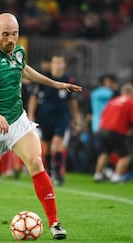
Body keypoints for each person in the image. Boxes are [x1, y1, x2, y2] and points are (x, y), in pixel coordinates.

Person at [0, 13, 82, 240]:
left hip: (16, 120)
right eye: (5, 34)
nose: (11, 40)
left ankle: (55, 223)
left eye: (14, 34)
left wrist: (54, 83)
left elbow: (23, 68)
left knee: (36, 162)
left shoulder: (18, 51)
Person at [28, 53, 81, 186]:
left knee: (57, 143)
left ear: (64, 65)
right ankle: (49, 171)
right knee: (45, 147)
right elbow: (33, 98)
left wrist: (76, 118)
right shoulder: (44, 80)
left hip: (62, 117)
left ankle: (58, 173)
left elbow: (72, 102)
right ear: (51, 64)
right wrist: (31, 115)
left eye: (60, 62)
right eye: (55, 62)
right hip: (45, 117)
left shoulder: (68, 80)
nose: (57, 65)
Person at [93, 83, 133, 183]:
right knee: (126, 156)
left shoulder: (113, 101)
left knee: (105, 153)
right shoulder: (132, 102)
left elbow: (103, 114)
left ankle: (97, 174)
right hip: (117, 130)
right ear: (131, 93)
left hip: (103, 129)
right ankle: (117, 176)